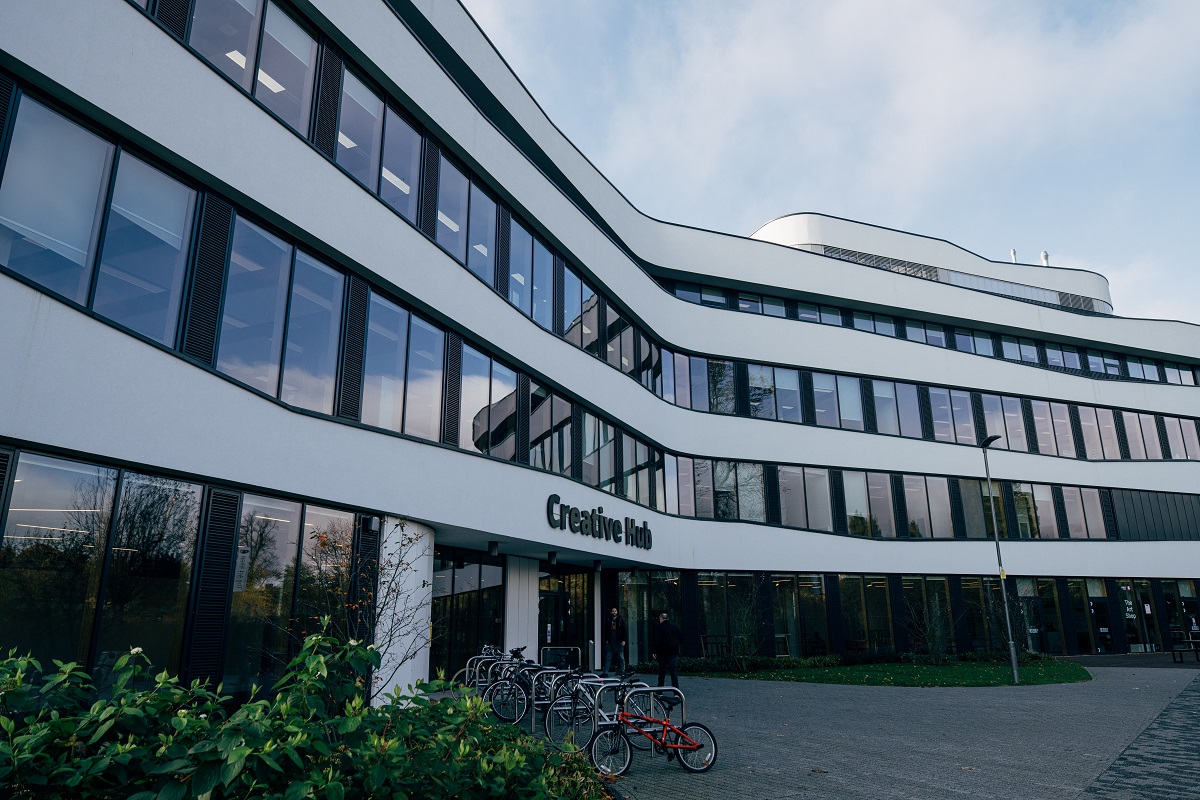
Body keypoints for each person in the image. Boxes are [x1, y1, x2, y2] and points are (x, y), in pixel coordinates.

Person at [651, 611, 683, 688]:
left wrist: (655, 651)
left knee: (661, 672)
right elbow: (681, 638)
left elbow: (656, 641)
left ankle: (660, 690)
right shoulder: (674, 626)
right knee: (673, 673)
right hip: (673, 653)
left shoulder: (659, 628)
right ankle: (676, 691)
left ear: (661, 619)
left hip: (662, 653)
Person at [604, 607, 628, 673]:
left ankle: (623, 671)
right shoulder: (608, 620)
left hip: (618, 641)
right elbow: (606, 630)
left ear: (617, 612)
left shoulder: (620, 620)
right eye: (613, 611)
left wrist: (623, 640)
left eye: (615, 611)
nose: (614, 612)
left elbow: (624, 630)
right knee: (608, 658)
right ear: (611, 612)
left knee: (621, 657)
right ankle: (605, 672)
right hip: (611, 641)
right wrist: (606, 639)